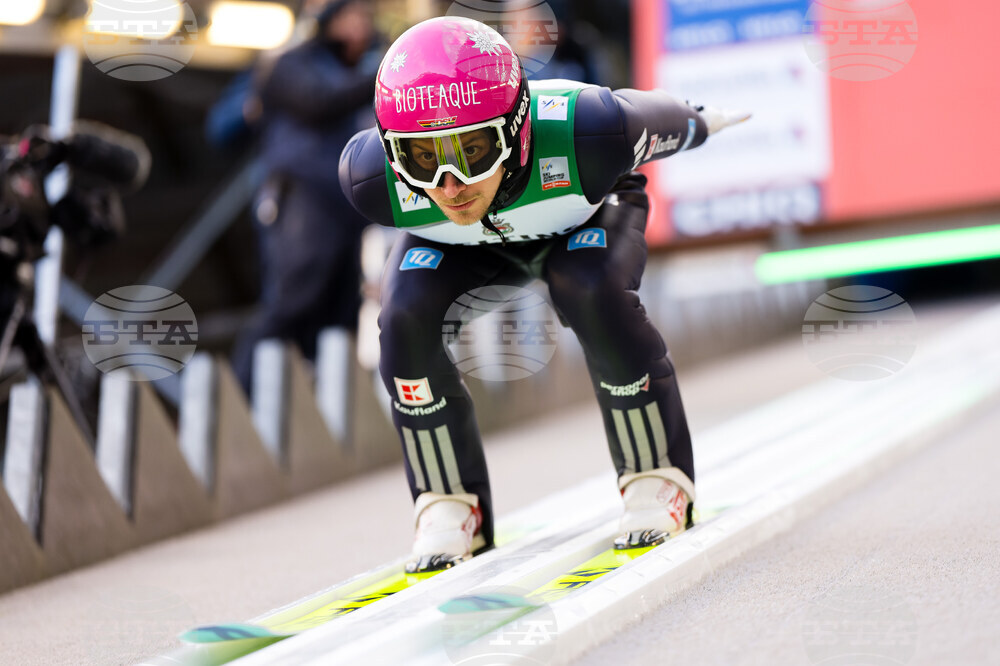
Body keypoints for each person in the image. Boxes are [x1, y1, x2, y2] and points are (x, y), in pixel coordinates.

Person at [338, 17, 748, 573]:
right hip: (462, 245)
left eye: (473, 149)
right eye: (422, 158)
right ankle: (448, 500)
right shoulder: (371, 177)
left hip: (583, 216)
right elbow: (441, 193)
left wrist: (703, 122)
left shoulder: (591, 132)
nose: (451, 184)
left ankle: (655, 475)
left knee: (589, 287)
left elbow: (667, 119)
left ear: (521, 128)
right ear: (391, 151)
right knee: (404, 317)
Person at [229, 0, 381, 393]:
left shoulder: (354, 69)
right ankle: (238, 404)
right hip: (302, 202)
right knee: (292, 304)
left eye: (364, 16)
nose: (360, 26)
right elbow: (319, 102)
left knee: (343, 312)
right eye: (351, 16)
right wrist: (386, 75)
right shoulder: (290, 62)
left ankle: (326, 412)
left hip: (345, 207)